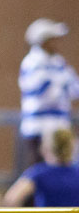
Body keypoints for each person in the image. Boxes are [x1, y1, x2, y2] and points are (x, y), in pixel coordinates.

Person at [16, 19, 79, 172]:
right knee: (39, 172)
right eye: (53, 39)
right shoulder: (32, 63)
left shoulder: (58, 62)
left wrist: (58, 86)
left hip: (60, 128)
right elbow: (42, 92)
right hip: (39, 130)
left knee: (62, 171)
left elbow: (74, 88)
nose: (57, 43)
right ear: (42, 41)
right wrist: (59, 86)